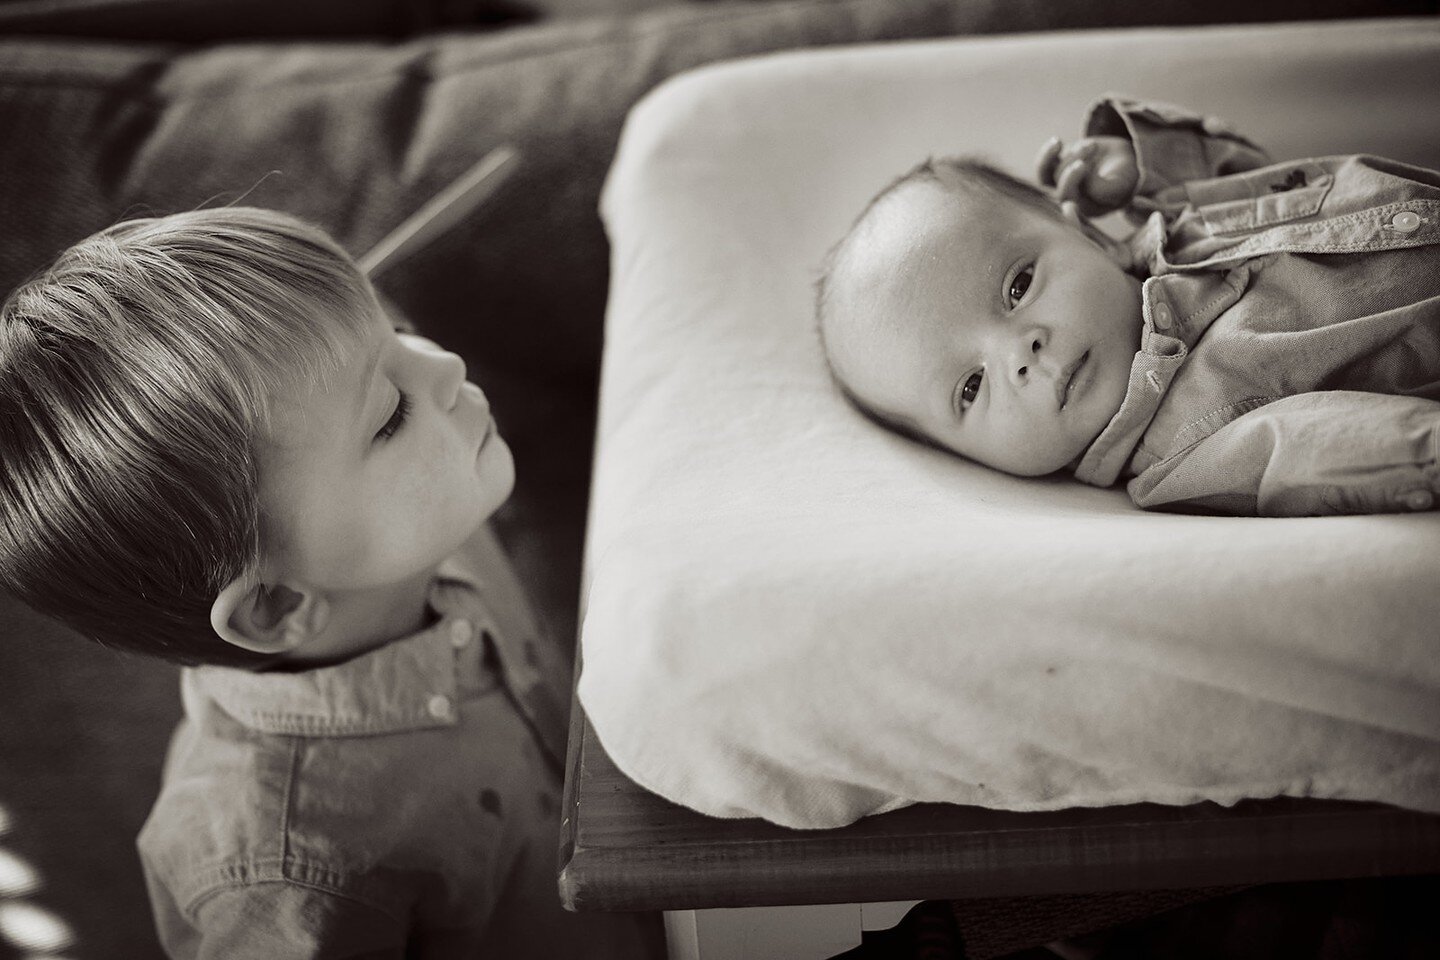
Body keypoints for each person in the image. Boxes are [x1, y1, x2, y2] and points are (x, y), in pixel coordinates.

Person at [0, 208, 659, 958]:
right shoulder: (284, 871)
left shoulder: (421, 535)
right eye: (389, 416)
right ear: (279, 603)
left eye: (397, 330)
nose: (443, 365)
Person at [816, 96, 1440, 516]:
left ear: (1086, 234)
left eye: (1017, 286)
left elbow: (1266, 173)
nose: (1020, 353)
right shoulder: (1179, 449)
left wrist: (1142, 170)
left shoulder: (1179, 220)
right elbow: (1310, 448)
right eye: (971, 388)